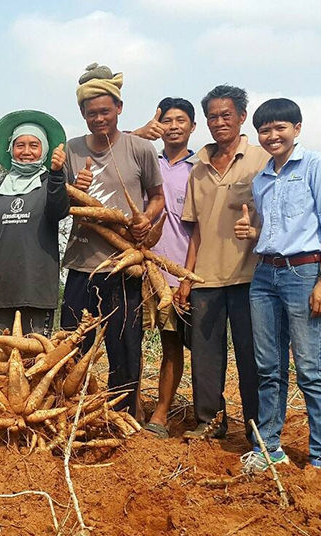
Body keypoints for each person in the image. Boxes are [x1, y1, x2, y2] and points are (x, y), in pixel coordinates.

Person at [238, 98, 321, 478]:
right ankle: (268, 448)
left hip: (304, 273)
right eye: (264, 130)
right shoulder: (261, 178)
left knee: (311, 369)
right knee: (268, 368)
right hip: (265, 274)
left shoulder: (316, 164)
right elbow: (271, 231)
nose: (272, 136)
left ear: (297, 128)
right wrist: (251, 233)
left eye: (279, 128)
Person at [61, 64, 165, 421]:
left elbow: (157, 197)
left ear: (119, 108)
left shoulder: (140, 149)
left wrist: (145, 220)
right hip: (81, 265)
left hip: (125, 268)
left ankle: (120, 417)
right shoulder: (70, 150)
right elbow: (61, 204)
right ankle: (71, 415)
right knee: (73, 347)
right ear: (82, 115)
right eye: (92, 114)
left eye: (105, 111)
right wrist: (77, 190)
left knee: (125, 348)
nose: (99, 119)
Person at [172, 85, 270, 442]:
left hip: (251, 275)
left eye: (226, 115)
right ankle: (209, 420)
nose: (219, 122)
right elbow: (196, 229)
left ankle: (258, 426)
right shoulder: (197, 169)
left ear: (242, 117)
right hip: (206, 277)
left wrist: (257, 229)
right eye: (212, 116)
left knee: (252, 355)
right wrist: (186, 278)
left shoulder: (262, 159)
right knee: (205, 356)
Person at [0, 110, 69, 336]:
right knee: (1, 362)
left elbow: (59, 211)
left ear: (44, 150)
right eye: (20, 145)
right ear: (11, 150)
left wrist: (57, 174)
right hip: (1, 292)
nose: (26, 152)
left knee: (34, 363)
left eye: (34, 145)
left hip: (36, 292)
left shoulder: (50, 184)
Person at [137, 97, 197, 439]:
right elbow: (109, 145)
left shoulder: (200, 167)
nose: (174, 127)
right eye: (167, 121)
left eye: (181, 120)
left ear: (192, 126)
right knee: (130, 339)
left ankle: (160, 412)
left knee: (172, 341)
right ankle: (131, 404)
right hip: (140, 265)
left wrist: (187, 275)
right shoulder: (145, 157)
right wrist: (142, 132)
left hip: (176, 270)